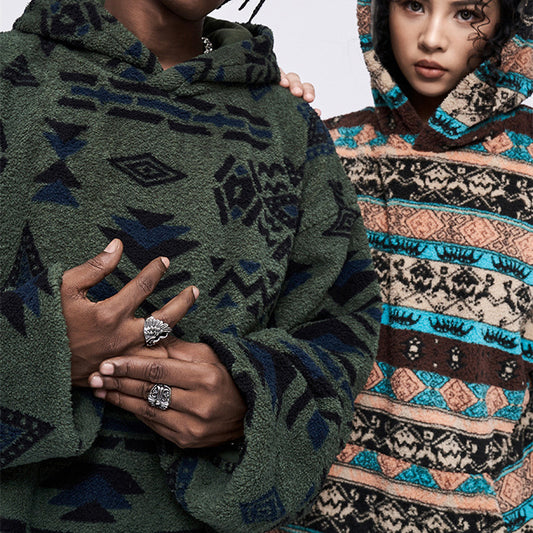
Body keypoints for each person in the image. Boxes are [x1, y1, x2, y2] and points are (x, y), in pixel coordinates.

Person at [0, 1, 382, 532]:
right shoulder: (10, 79)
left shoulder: (290, 128)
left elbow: (341, 325)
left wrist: (251, 399)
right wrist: (35, 348)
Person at [281, 0, 533, 532]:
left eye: (467, 13)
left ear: (513, 21)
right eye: (414, 5)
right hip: (309, 513)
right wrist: (261, 125)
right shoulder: (326, 150)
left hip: (478, 517)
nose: (432, 38)